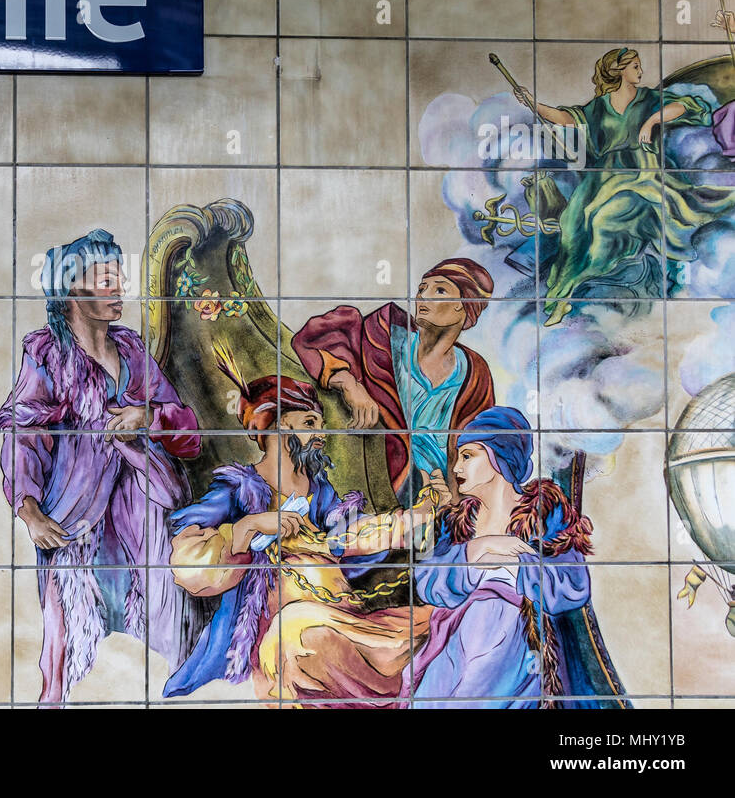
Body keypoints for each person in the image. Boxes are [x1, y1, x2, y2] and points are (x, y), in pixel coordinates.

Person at [163, 351, 444, 706]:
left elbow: (359, 533)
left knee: (432, 623)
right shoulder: (237, 492)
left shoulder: (322, 494)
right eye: (310, 423)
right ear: (277, 426)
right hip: (281, 643)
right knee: (296, 627)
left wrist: (424, 513)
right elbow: (185, 561)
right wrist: (248, 527)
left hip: (345, 622)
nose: (321, 433)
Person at [0, 229, 201, 703]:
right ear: (71, 291)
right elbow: (22, 435)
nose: (119, 289)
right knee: (70, 643)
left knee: (164, 624)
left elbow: (188, 432)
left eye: (119, 278)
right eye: (106, 279)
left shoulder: (131, 350)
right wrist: (30, 513)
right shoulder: (46, 354)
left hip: (147, 510)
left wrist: (148, 417)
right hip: (74, 521)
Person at [514, 46, 735, 324]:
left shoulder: (648, 99)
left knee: (603, 221)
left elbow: (688, 106)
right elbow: (567, 118)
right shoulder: (599, 106)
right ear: (619, 71)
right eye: (635, 67)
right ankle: (563, 295)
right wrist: (533, 104)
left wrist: (653, 121)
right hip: (604, 176)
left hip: (642, 172)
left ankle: (575, 287)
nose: (640, 71)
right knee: (573, 226)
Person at [400, 406, 593, 708]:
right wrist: (478, 549)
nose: (456, 468)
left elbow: (573, 586)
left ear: (498, 458)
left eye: (468, 456)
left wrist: (517, 564)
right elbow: (426, 581)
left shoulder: (544, 512)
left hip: (514, 646)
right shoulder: (458, 522)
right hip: (455, 642)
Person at [292, 258, 495, 507]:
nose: (423, 297)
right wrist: (348, 383)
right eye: (422, 289)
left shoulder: (475, 373)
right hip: (384, 480)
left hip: (444, 496)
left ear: (464, 307)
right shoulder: (382, 336)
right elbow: (312, 338)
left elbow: (479, 444)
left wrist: (453, 498)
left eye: (439, 290)